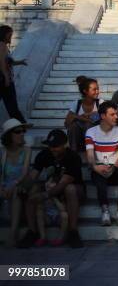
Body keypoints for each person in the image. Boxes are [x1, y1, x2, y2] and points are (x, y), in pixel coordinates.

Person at [19, 130, 84, 248]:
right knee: (32, 188)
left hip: (72, 190)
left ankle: (73, 232)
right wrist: (23, 188)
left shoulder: (73, 157)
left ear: (65, 144)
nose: (52, 149)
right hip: (52, 188)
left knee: (69, 189)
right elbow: (33, 175)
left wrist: (44, 195)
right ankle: (32, 231)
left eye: (55, 146)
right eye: (50, 146)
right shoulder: (45, 154)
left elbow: (63, 183)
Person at [85, 101, 118, 226]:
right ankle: (105, 211)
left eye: (116, 114)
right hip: (99, 168)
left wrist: (113, 168)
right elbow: (90, 156)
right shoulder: (91, 132)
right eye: (112, 114)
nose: (116, 117)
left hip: (115, 169)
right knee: (97, 173)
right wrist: (96, 167)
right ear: (103, 116)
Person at [0, 119, 32, 247]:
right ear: (9, 135)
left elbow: (24, 173)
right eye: (18, 132)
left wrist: (14, 184)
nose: (22, 134)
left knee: (16, 192)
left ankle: (13, 233)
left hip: (21, 185)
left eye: (23, 131)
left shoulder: (27, 150)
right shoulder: (3, 152)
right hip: (5, 186)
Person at [64, 76, 101, 153]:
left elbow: (99, 118)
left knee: (88, 125)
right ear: (85, 91)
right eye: (94, 89)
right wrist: (80, 118)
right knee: (74, 125)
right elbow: (66, 124)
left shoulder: (100, 103)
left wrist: (81, 117)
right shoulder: (76, 104)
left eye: (98, 89)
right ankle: (73, 153)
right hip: (79, 140)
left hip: (95, 140)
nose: (97, 91)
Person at [0, 25, 27, 123]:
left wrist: (20, 62)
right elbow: (2, 62)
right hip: (4, 80)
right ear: (4, 34)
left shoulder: (4, 46)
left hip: (5, 79)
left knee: (11, 105)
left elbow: (8, 62)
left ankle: (20, 124)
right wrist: (6, 77)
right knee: (12, 105)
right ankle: (21, 124)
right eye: (9, 34)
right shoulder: (2, 45)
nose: (11, 36)